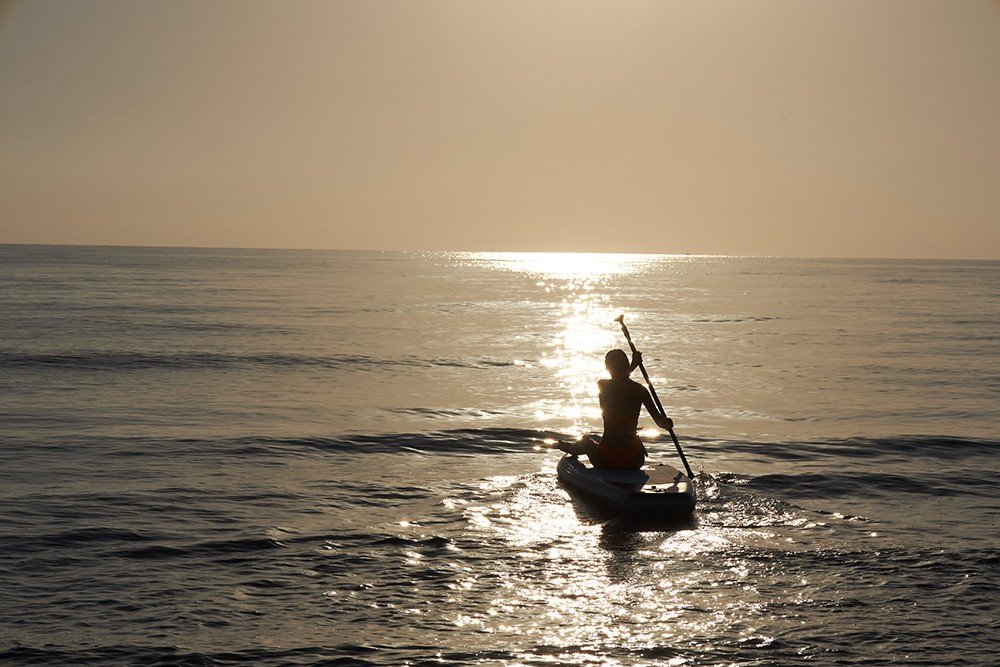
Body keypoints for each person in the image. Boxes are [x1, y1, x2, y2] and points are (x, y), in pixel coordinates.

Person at [559, 348, 673, 470]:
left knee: (586, 441)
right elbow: (661, 423)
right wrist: (668, 423)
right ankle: (574, 447)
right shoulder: (641, 390)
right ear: (626, 365)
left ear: (607, 368)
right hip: (634, 460)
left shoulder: (603, 385)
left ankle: (572, 448)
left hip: (606, 459)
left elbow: (620, 382)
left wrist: (633, 364)